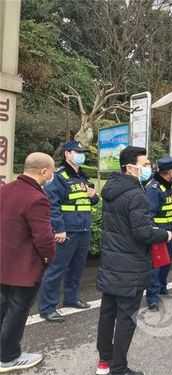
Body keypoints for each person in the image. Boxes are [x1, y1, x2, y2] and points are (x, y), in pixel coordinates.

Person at [96, 146, 172, 375]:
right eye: (146, 163)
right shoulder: (136, 195)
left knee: (107, 313)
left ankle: (104, 363)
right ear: (130, 167)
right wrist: (165, 234)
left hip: (111, 262)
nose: (150, 168)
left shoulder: (111, 190)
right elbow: (142, 233)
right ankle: (118, 368)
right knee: (126, 318)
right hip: (131, 267)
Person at [0, 153, 56, 372]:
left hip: (3, 262)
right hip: (24, 267)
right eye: (51, 171)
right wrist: (48, 259)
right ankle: (8, 357)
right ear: (43, 171)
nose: (52, 175)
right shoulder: (37, 198)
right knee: (17, 311)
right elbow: (43, 238)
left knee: (3, 308)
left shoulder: (5, 189)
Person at [38, 141, 99, 322]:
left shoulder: (82, 176)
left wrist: (93, 196)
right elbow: (51, 205)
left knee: (77, 267)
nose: (82, 155)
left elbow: (92, 201)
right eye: (77, 152)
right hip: (67, 231)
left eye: (83, 152)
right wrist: (59, 229)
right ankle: (48, 307)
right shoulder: (58, 177)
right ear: (67, 154)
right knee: (56, 269)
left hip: (84, 228)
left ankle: (71, 299)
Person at [145, 156, 172, 310]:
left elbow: (169, 209)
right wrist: (157, 233)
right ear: (169, 172)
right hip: (158, 234)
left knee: (166, 263)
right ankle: (152, 297)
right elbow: (149, 215)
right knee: (156, 266)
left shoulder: (168, 186)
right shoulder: (153, 189)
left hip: (169, 232)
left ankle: (162, 288)